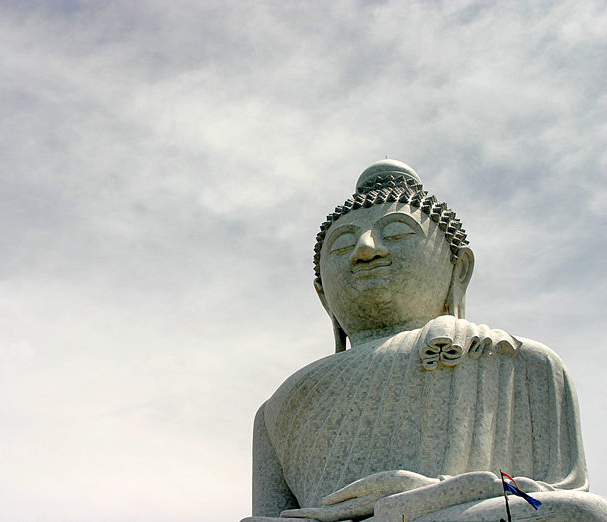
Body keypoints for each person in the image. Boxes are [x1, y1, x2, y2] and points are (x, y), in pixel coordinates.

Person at [242, 160, 607, 521]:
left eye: (397, 234)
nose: (366, 250)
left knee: (583, 512)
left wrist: (432, 496)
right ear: (323, 295)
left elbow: (545, 500)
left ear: (459, 270)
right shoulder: (279, 406)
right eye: (342, 246)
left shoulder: (516, 360)